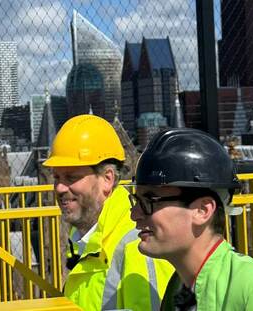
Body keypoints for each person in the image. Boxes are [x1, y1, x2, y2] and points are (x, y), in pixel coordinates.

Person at [129, 128, 253, 310]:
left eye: (149, 201)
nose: (134, 214)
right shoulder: (178, 288)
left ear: (203, 210)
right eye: (137, 201)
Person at [43, 114, 174, 311]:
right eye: (57, 177)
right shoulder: (90, 241)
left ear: (107, 179)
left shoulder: (139, 247)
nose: (60, 188)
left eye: (71, 177)